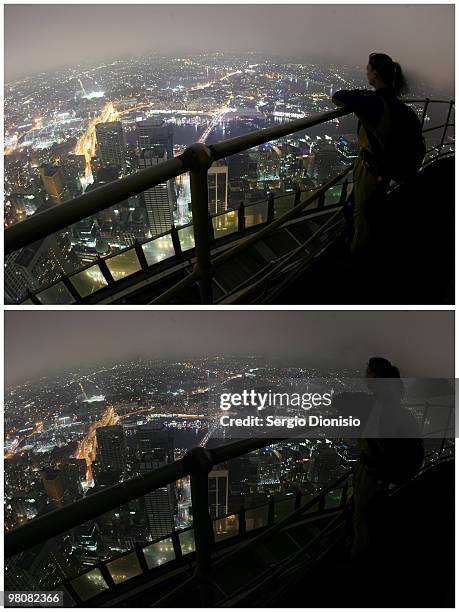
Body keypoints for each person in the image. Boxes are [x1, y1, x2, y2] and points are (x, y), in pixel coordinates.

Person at [332, 53, 408, 255]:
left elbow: (338, 97)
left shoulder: (373, 103)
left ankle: (357, 258)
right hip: (387, 170)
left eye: (368, 68)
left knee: (360, 215)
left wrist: (360, 95)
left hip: (371, 171)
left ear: (375, 74)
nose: (366, 71)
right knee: (370, 208)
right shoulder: (398, 105)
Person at [351, 357, 424, 563]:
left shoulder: (382, 408)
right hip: (381, 473)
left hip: (374, 475)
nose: (365, 376)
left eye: (368, 372)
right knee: (371, 516)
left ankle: (363, 561)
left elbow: (379, 444)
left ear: (375, 376)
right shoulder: (390, 404)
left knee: (365, 518)